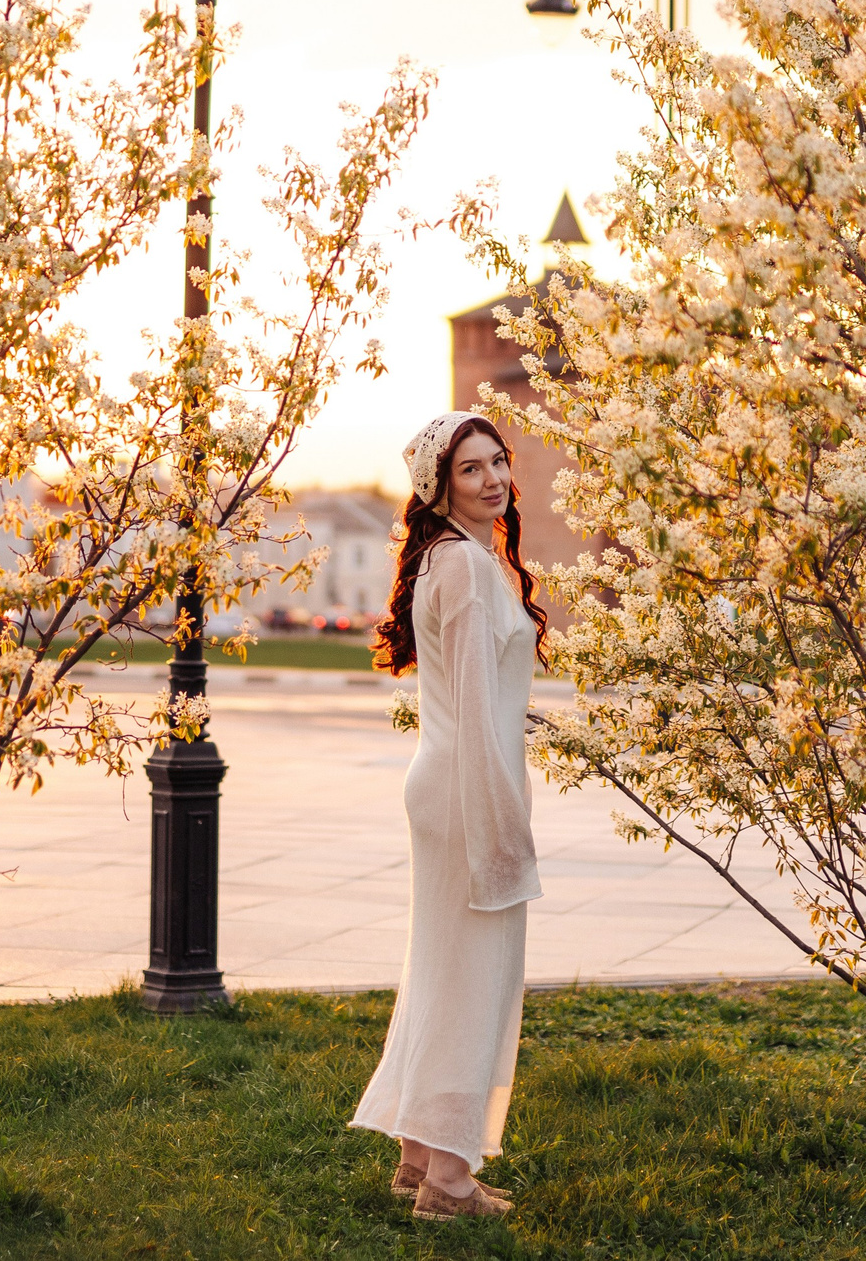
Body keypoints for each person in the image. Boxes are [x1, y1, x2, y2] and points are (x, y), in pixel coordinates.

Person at [349, 410, 551, 1222]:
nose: (493, 477)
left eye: (497, 460)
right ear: (439, 487)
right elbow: (472, 708)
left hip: (450, 782)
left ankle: (418, 1156)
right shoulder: (463, 565)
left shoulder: (453, 556)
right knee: (474, 981)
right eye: (471, 468)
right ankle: (449, 1182)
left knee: (442, 971)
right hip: (470, 788)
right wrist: (500, 825)